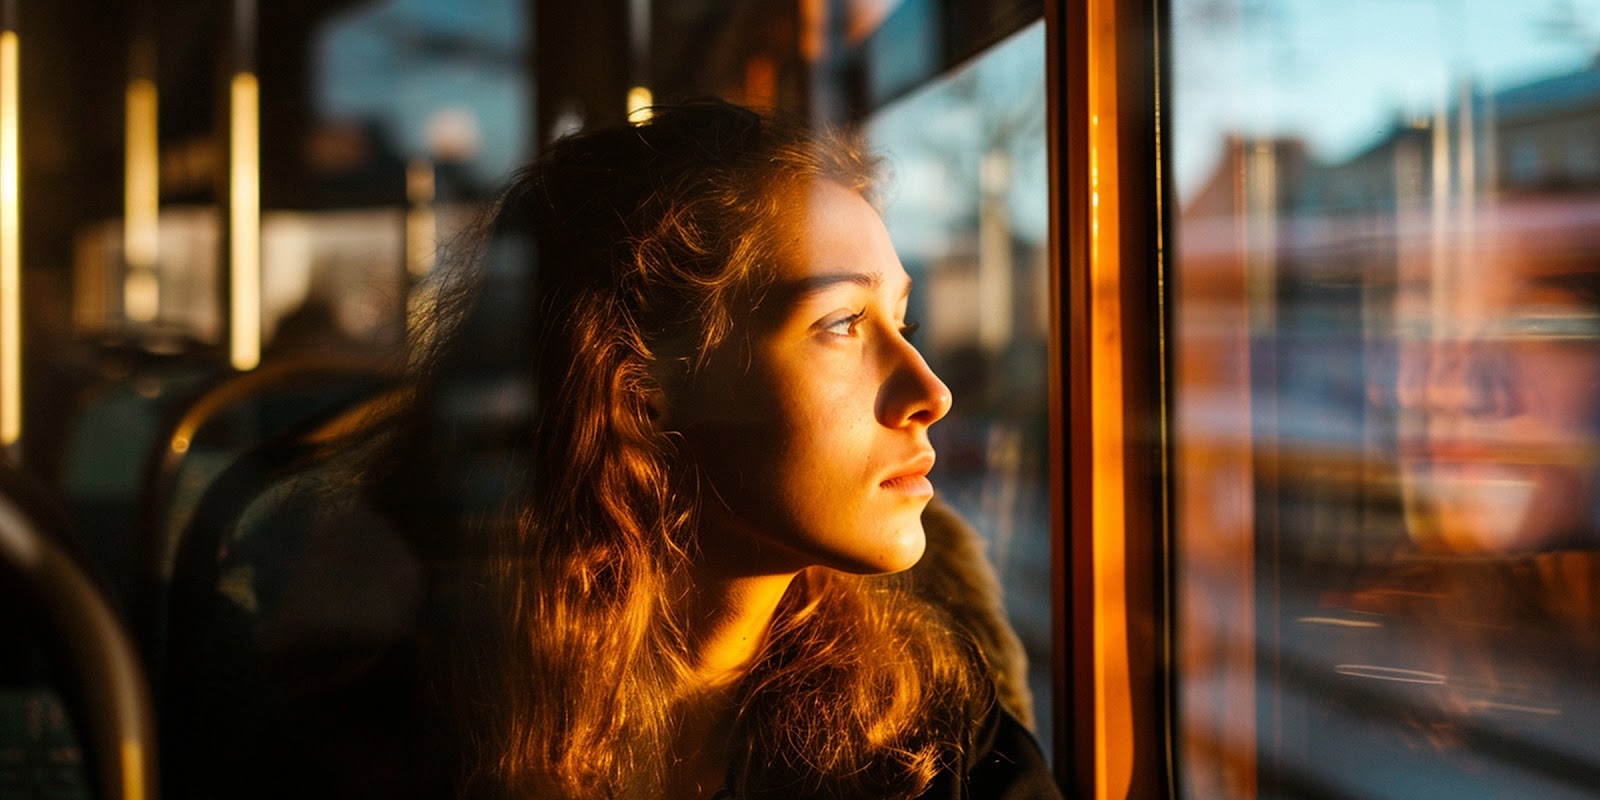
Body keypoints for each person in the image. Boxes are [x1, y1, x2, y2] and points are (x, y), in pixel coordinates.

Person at [323, 99, 1057, 800]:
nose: (932, 392)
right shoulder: (375, 728)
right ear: (638, 382)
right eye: (840, 323)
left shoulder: (927, 732)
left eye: (906, 323)